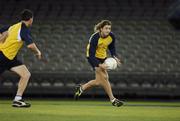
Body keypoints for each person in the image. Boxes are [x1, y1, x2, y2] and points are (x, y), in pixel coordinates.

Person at [74, 20, 124, 107]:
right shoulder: (94, 38)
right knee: (105, 77)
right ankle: (113, 100)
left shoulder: (111, 36)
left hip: (103, 57)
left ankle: (81, 88)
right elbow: (91, 55)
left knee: (98, 82)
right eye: (106, 28)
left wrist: (115, 57)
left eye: (109, 28)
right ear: (101, 29)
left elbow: (112, 48)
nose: (108, 30)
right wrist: (100, 65)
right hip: (93, 58)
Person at [0, 9, 42, 108]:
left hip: (10, 58)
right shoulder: (24, 29)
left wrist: (2, 37)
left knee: (26, 74)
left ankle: (18, 100)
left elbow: (2, 31)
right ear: (31, 19)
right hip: (3, 57)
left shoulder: (13, 26)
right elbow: (30, 46)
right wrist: (38, 52)